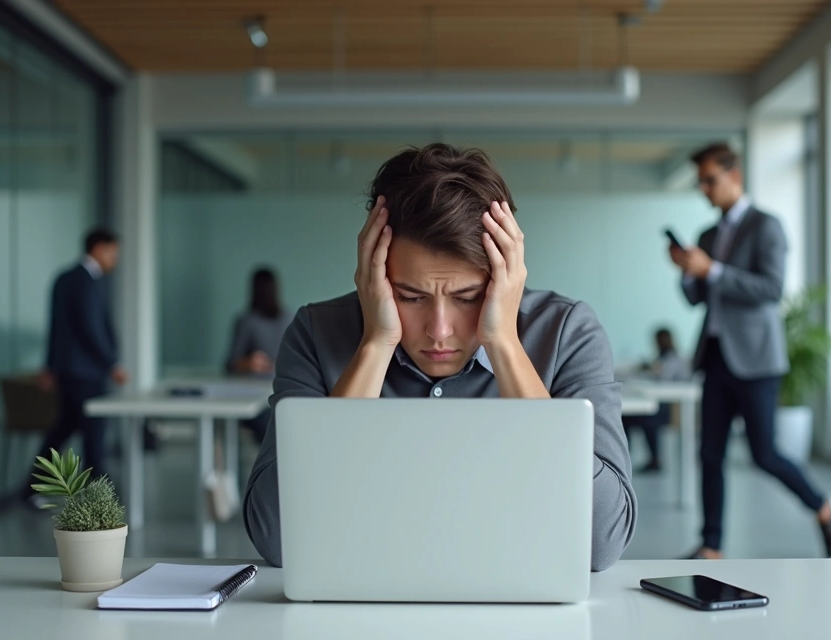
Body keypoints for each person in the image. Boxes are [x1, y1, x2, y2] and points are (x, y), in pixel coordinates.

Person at [242, 143, 636, 571]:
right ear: (374, 275)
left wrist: (503, 342)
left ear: (505, 277)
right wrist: (375, 344)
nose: (440, 330)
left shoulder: (567, 333)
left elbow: (601, 542)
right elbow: (278, 539)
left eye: (467, 297)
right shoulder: (316, 334)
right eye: (410, 297)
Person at [670, 142, 831, 559]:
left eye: (710, 180)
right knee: (709, 454)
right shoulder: (708, 235)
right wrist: (686, 271)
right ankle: (711, 545)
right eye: (700, 182)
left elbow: (771, 290)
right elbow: (697, 297)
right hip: (714, 355)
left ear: (735, 177)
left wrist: (711, 269)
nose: (705, 189)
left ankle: (822, 506)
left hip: (756, 359)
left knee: (763, 453)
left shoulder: (767, 226)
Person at [29, 228, 127, 508]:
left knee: (62, 430)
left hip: (70, 371)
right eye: (113, 252)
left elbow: (56, 328)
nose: (114, 260)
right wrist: (112, 363)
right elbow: (90, 328)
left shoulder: (65, 278)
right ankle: (103, 498)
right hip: (86, 373)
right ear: (98, 248)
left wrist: (50, 365)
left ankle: (30, 489)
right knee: (94, 435)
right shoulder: (87, 281)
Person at [223, 267, 291, 442]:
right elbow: (231, 364)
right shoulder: (247, 321)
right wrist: (250, 363)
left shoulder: (288, 319)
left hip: (275, 395)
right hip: (260, 397)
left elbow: (230, 364)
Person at [622, 328, 689, 472]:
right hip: (659, 404)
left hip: (669, 408)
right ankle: (624, 457)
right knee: (626, 418)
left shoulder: (674, 358)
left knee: (647, 419)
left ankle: (651, 460)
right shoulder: (660, 358)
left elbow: (664, 377)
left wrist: (652, 370)